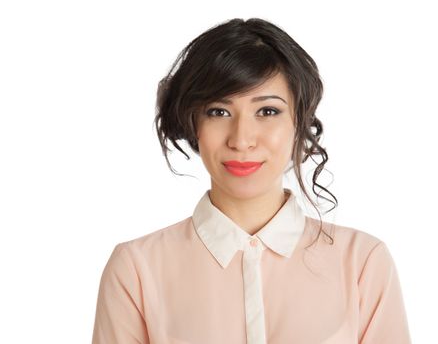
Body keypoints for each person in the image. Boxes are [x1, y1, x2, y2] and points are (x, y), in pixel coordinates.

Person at [91, 18, 411, 344]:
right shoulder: (136, 269)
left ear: (299, 121)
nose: (242, 140)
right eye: (218, 112)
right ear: (193, 124)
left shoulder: (362, 263)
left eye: (268, 111)